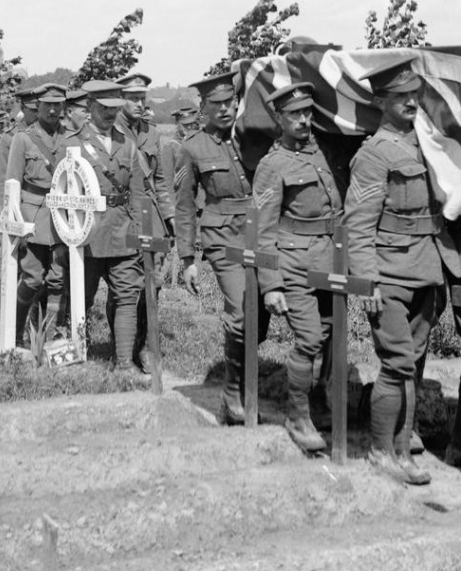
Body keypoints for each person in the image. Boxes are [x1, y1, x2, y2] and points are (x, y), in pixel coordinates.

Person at [341, 64, 450, 485]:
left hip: (427, 269)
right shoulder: (372, 155)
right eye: (400, 97)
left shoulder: (429, 146)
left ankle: (403, 451)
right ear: (380, 102)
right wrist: (367, 281)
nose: (410, 103)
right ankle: (381, 451)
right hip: (389, 275)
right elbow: (359, 223)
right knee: (397, 364)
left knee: (414, 367)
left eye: (414, 96)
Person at [253, 82, 342, 452]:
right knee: (308, 339)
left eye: (307, 113)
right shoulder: (272, 165)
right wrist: (271, 284)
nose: (304, 120)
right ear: (279, 118)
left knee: (329, 335)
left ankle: (321, 404)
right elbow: (261, 228)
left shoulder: (320, 154)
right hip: (292, 262)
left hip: (328, 258)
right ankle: (297, 415)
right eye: (295, 115)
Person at [176, 70, 266, 424]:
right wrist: (187, 258)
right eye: (217, 104)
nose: (226, 110)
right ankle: (233, 392)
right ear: (204, 107)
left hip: (260, 232)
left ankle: (243, 383)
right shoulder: (191, 147)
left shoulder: (254, 138)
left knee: (261, 316)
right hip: (222, 237)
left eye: (230, 102)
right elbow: (184, 206)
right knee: (242, 312)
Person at [61, 80, 147, 381]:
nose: (110, 115)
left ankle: (124, 363)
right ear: (90, 108)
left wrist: (139, 229)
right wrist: (67, 235)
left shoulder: (127, 144)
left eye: (115, 109)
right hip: (86, 234)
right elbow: (60, 194)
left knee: (127, 295)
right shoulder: (71, 144)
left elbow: (137, 192)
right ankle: (75, 354)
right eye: (104, 109)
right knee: (80, 296)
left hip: (122, 231)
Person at [115, 72, 176, 370]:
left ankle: (146, 347)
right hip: (121, 213)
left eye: (143, 98)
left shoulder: (152, 133)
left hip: (149, 213)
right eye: (133, 98)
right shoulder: (110, 132)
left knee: (152, 284)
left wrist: (170, 218)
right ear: (120, 100)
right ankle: (122, 347)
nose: (140, 104)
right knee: (124, 283)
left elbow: (161, 180)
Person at [6, 84, 68, 345]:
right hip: (32, 216)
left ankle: (48, 335)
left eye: (57, 105)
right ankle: (16, 332)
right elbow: (12, 181)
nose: (52, 110)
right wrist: (14, 223)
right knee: (32, 277)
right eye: (47, 105)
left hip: (63, 217)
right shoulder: (24, 138)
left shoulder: (72, 137)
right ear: (37, 107)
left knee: (58, 278)